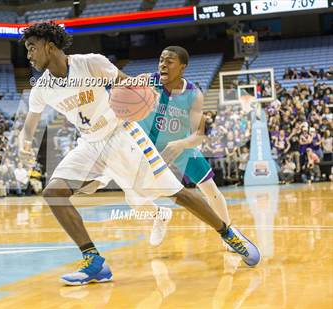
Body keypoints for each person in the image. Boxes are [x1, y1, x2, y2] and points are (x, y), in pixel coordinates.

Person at [19, 23, 260, 286]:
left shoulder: (91, 64)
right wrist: (24, 142)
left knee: (176, 192)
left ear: (50, 46)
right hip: (89, 143)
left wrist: (145, 93)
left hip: (122, 134)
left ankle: (228, 233)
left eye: (32, 47)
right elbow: (30, 124)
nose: (28, 54)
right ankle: (94, 261)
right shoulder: (41, 88)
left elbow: (126, 83)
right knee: (54, 193)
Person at [138, 46, 232, 244]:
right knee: (135, 194)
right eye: (161, 60)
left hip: (181, 147)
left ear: (182, 68)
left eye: (169, 61)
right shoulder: (147, 81)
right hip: (146, 146)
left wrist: (181, 144)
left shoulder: (194, 94)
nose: (163, 64)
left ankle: (228, 234)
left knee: (211, 190)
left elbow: (199, 135)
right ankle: (159, 215)